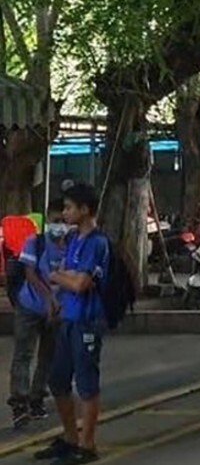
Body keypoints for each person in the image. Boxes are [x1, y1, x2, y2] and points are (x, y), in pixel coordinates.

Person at [39, 183, 111, 463]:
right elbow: (70, 275)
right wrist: (63, 284)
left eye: (69, 208)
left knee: (86, 384)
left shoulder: (97, 243)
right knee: (58, 380)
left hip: (87, 322)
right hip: (68, 318)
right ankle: (70, 437)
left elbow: (81, 283)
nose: (65, 213)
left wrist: (59, 278)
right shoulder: (74, 240)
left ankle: (87, 444)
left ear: (85, 210)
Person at [8, 201, 68, 428]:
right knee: (23, 353)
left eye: (63, 221)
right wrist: (49, 299)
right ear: (47, 220)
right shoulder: (36, 242)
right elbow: (30, 274)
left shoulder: (72, 246)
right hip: (30, 307)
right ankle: (19, 403)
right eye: (55, 221)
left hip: (57, 311)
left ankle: (37, 398)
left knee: (48, 356)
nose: (59, 226)